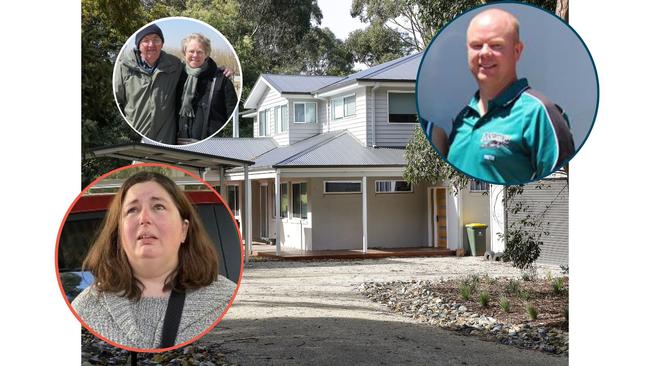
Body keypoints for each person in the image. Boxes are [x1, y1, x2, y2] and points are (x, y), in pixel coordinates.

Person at [72, 171, 237, 349]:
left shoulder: (226, 299)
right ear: (119, 232)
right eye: (132, 209)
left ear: (184, 229)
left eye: (158, 207)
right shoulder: (85, 308)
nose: (144, 219)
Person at [446, 8, 575, 184]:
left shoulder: (539, 113)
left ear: (517, 51)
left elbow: (562, 184)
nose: (484, 53)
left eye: (496, 45)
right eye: (476, 45)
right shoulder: (463, 119)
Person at [114, 24, 182, 144]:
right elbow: (117, 102)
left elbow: (197, 72)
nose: (151, 45)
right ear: (139, 44)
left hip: (164, 139)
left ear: (162, 43)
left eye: (156, 40)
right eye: (146, 40)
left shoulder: (175, 65)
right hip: (134, 139)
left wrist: (220, 72)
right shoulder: (123, 67)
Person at [176, 33, 238, 143]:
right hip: (177, 144)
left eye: (200, 52)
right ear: (184, 53)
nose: (195, 55)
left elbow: (233, 116)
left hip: (210, 146)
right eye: (191, 51)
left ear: (207, 54)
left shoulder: (221, 80)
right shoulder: (175, 77)